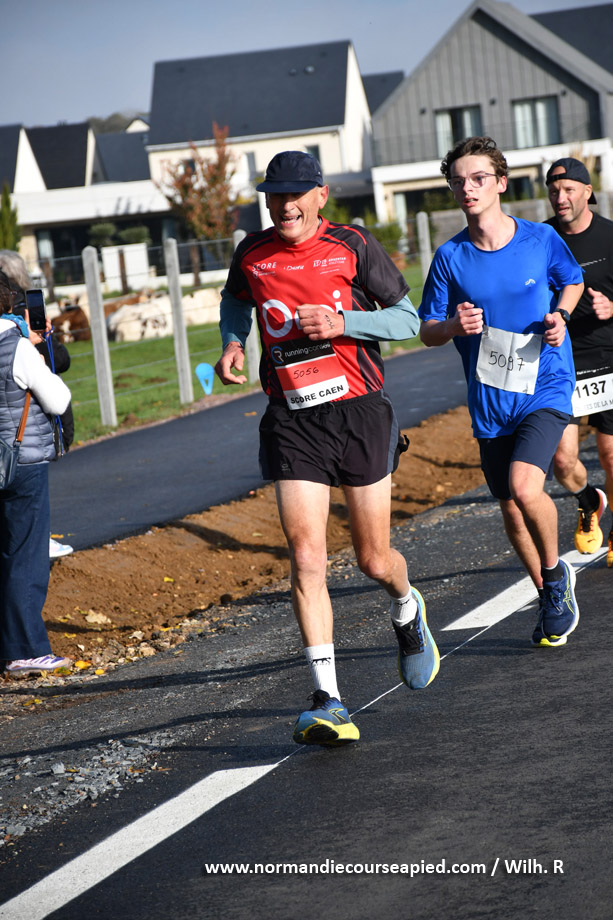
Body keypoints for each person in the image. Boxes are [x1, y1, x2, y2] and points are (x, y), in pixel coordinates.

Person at [214, 150, 439, 746]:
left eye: (295, 194)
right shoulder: (252, 252)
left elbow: (407, 320)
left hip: (360, 412)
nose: (284, 205)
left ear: (320, 196)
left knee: (373, 560)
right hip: (293, 418)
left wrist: (343, 323)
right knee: (308, 556)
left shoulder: (353, 245)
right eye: (274, 195)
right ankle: (327, 699)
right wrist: (234, 342)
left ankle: (406, 607)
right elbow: (235, 300)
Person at [418, 136, 584, 648]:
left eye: (478, 179)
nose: (467, 189)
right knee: (510, 506)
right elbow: (426, 329)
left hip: (545, 383)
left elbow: (572, 280)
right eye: (458, 182)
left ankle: (556, 577)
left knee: (525, 487)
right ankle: (547, 593)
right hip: (491, 398)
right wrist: (453, 326)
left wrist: (562, 316)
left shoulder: (539, 238)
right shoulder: (450, 256)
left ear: (501, 183)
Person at [0, 269, 72, 675]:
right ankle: (25, 649)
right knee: (26, 556)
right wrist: (37, 349)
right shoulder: (17, 348)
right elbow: (58, 400)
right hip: (20, 463)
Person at [544, 158, 613, 564]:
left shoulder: (609, 237)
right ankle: (589, 502)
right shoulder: (542, 238)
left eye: (569, 189)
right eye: (554, 191)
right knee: (562, 460)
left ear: (588, 191)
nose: (561, 197)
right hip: (561, 362)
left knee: (610, 454)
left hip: (609, 356)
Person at [0, 250, 74, 559]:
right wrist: (41, 344)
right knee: (26, 550)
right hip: (23, 449)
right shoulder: (18, 334)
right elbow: (58, 395)